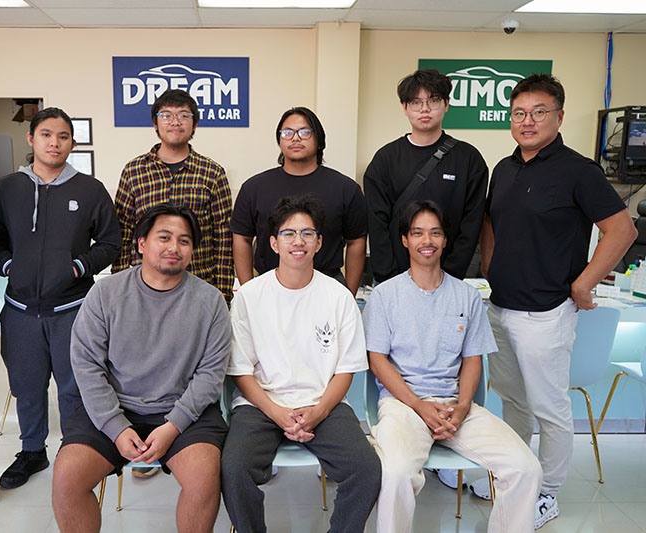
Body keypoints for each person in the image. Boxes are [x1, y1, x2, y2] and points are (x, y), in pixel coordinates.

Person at [478, 74, 637, 529]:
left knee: (549, 409)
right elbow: (491, 222)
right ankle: (516, 480)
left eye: (539, 112)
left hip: (545, 313)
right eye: (519, 113)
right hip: (501, 308)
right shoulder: (504, 169)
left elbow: (622, 229)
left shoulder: (578, 170)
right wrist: (490, 267)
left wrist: (584, 284)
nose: (527, 122)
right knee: (512, 402)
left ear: (559, 116)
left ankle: (546, 493)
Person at [363, 200, 542, 533]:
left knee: (525, 468)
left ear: (445, 240)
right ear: (405, 240)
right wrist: (418, 405)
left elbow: (473, 360)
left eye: (435, 232)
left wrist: (461, 408)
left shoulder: (467, 296)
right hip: (404, 404)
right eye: (417, 233)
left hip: (457, 407)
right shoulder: (385, 295)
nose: (426, 240)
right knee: (397, 472)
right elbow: (377, 361)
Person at [52, 203, 231, 533]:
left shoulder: (210, 301)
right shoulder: (106, 293)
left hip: (183, 413)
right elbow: (87, 364)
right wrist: (116, 427)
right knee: (67, 479)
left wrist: (172, 426)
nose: (173, 248)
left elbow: (211, 375)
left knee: (204, 479)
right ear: (141, 243)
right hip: (115, 408)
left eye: (184, 241)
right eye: (164, 237)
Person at [222, 194, 381, 533]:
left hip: (323, 402)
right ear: (273, 243)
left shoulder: (338, 297)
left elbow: (345, 369)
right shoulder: (249, 296)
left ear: (320, 242)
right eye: (289, 233)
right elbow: (241, 371)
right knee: (233, 469)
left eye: (308, 233)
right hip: (259, 403)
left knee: (366, 469)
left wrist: (320, 410)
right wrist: (277, 412)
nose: (298, 241)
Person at [0, 107, 121, 490]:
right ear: (31, 139)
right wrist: (8, 266)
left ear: (71, 143)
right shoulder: (7, 188)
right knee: (26, 384)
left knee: (76, 385)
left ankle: (77, 448)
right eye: (46, 135)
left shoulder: (90, 190)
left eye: (62, 136)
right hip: (21, 311)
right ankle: (31, 451)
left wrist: (79, 267)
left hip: (73, 309)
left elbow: (111, 242)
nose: (54, 142)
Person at [364, 68, 488, 285]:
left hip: (448, 280)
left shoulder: (469, 159)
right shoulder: (385, 159)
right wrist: (389, 277)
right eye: (415, 102)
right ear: (404, 107)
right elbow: (377, 223)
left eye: (433, 100)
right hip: (393, 280)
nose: (425, 109)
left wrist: (449, 276)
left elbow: (471, 225)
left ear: (447, 104)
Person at [113, 89, 233, 305]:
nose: (175, 122)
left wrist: (222, 294)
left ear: (194, 124)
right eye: (166, 115)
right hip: (143, 288)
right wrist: (120, 286)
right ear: (155, 123)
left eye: (184, 115)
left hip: (198, 285)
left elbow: (223, 236)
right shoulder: (134, 171)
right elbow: (123, 231)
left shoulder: (213, 173)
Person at [231, 107, 367, 296]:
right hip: (269, 287)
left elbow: (356, 242)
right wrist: (248, 292)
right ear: (279, 139)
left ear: (319, 139)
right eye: (287, 132)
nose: (295, 138)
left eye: (304, 132)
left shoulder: (345, 188)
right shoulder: (254, 188)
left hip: (327, 288)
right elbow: (242, 238)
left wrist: (348, 295)